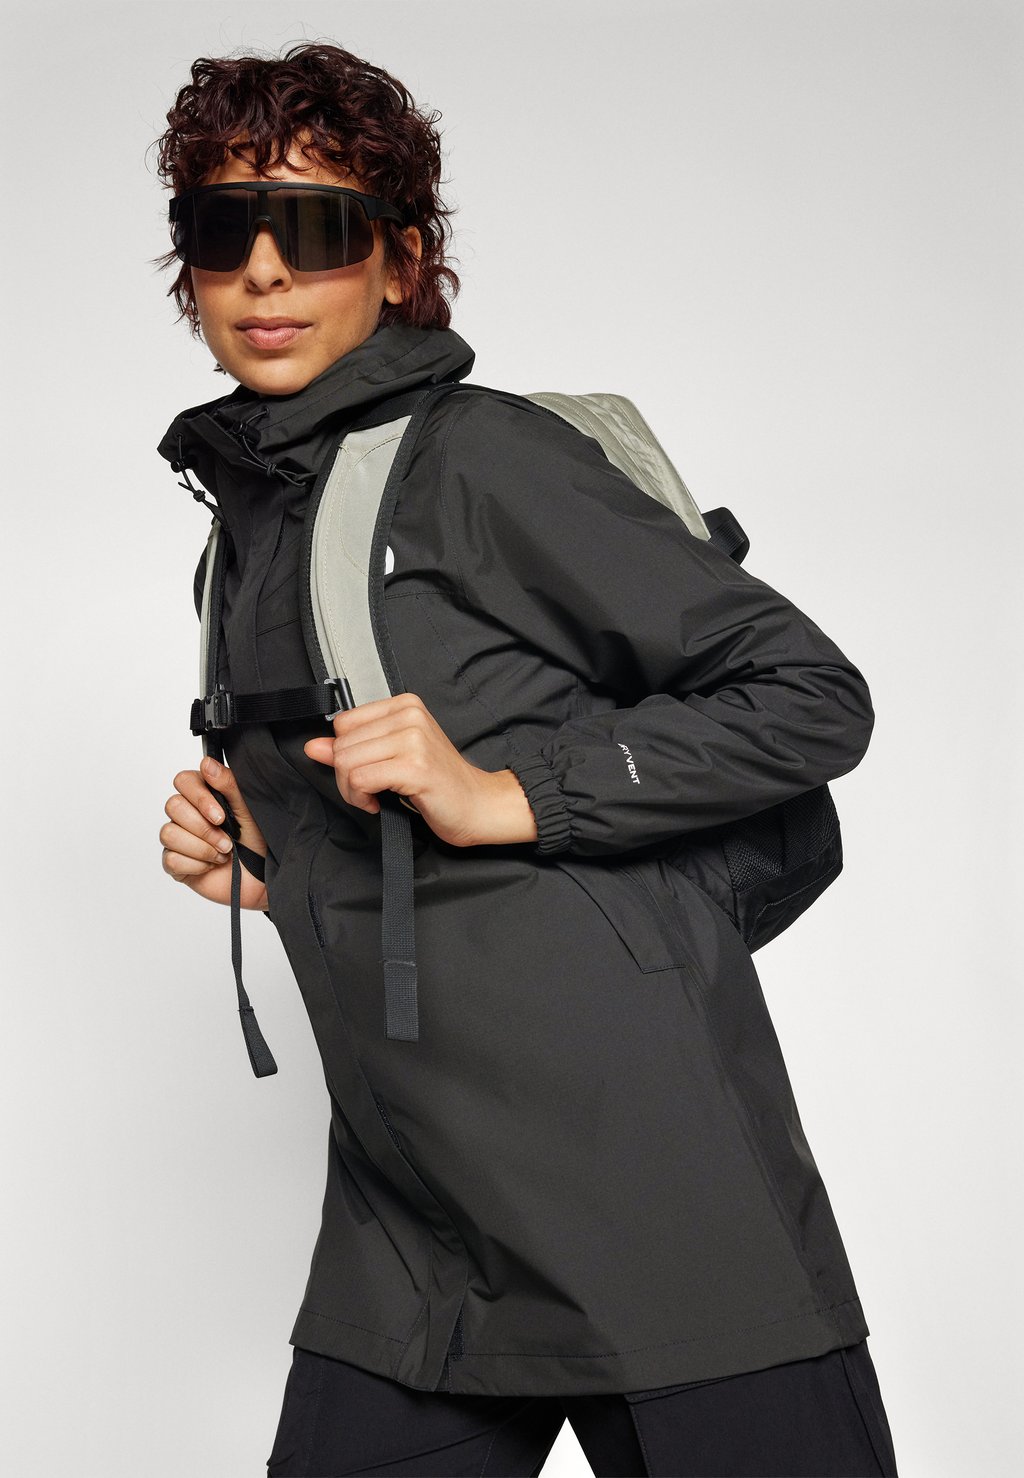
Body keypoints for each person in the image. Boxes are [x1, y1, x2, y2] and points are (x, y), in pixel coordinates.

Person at [152, 41, 899, 1478]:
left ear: (400, 262)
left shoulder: (479, 460)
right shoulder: (250, 524)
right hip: (413, 1221)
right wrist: (271, 858)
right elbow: (386, 811)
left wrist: (507, 793)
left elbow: (813, 696)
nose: (263, 270)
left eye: (313, 227)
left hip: (655, 1196)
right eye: (220, 228)